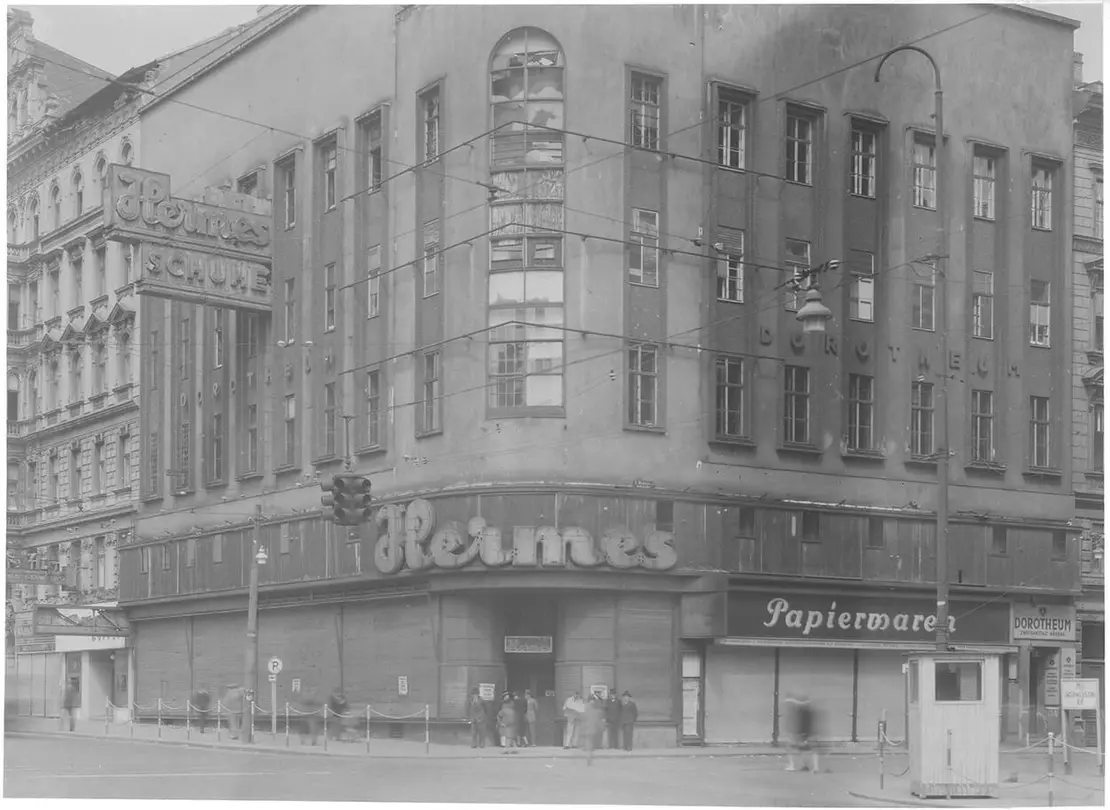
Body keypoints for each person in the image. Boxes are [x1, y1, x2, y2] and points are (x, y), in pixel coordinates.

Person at [783, 693, 820, 773]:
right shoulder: (806, 710)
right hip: (806, 733)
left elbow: (805, 723)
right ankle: (806, 766)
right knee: (804, 749)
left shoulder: (805, 711)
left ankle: (795, 766)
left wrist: (803, 734)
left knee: (806, 749)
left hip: (806, 733)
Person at [581, 693, 606, 766]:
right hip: (592, 729)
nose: (593, 702)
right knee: (590, 744)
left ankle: (589, 756)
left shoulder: (586, 709)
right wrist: (601, 727)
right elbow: (597, 720)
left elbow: (584, 719)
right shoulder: (595, 710)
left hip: (588, 729)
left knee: (589, 744)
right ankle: (589, 757)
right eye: (592, 700)